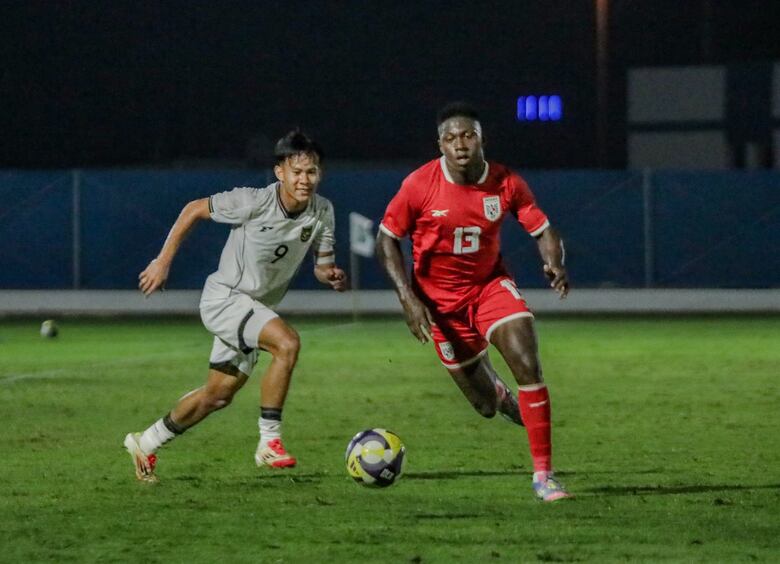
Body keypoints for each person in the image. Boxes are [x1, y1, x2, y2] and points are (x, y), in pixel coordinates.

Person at [124, 130, 347, 482]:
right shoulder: (253, 201)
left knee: (217, 396)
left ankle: (145, 442)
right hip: (226, 298)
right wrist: (162, 261)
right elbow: (193, 209)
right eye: (297, 172)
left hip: (253, 308)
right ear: (280, 172)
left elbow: (321, 265)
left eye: (312, 172)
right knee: (287, 343)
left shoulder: (323, 211)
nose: (305, 180)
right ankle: (269, 442)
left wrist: (330, 274)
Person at [376, 102, 571, 502]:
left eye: (467, 135)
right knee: (484, 405)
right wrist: (408, 299)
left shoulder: (506, 182)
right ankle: (498, 395)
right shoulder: (419, 184)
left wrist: (553, 263)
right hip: (441, 308)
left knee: (528, 364)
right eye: (451, 138)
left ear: (482, 139)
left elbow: (543, 227)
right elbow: (386, 239)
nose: (460, 144)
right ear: (440, 145)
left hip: (489, 288)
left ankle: (544, 477)